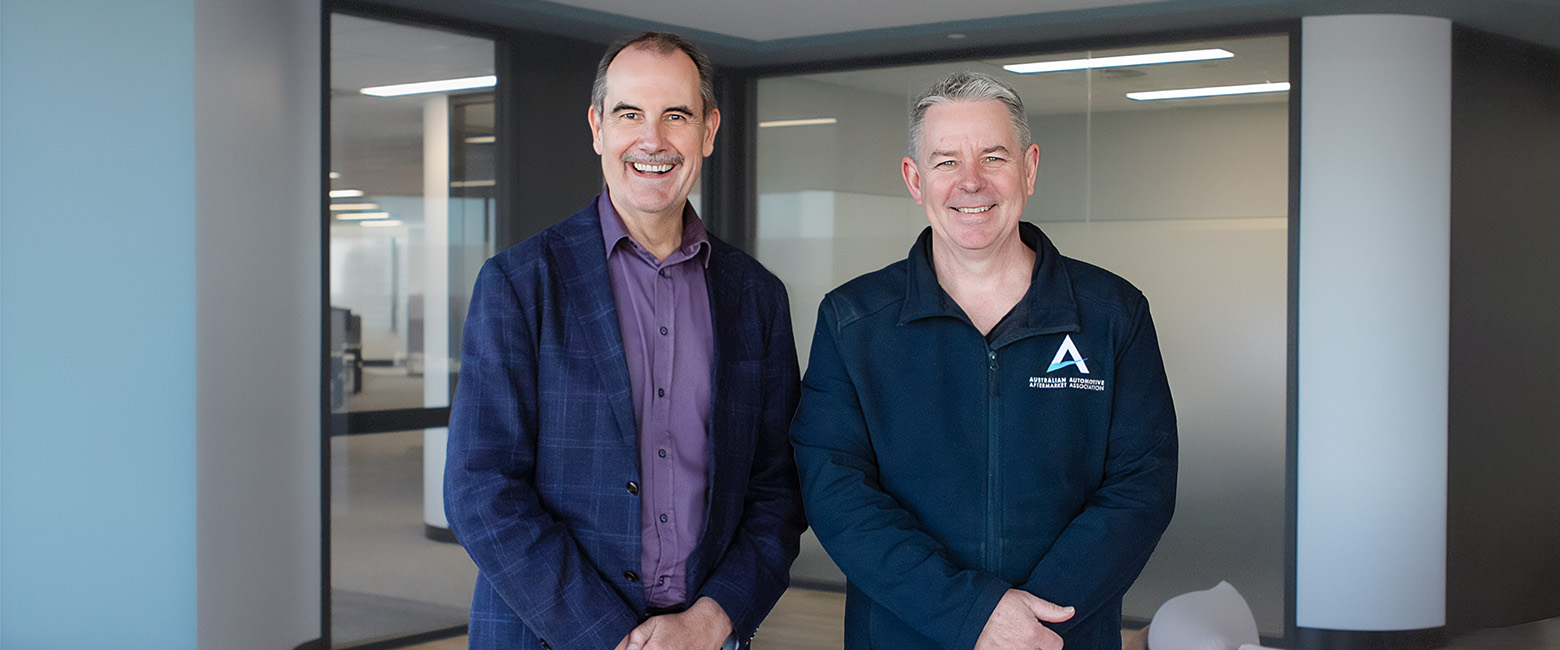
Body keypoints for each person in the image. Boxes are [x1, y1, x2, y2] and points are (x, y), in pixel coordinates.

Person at [790, 71, 1178, 650]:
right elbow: (837, 494)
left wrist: (1033, 626)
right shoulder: (853, 322)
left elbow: (1141, 488)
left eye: (993, 157)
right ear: (914, 179)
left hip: (1059, 639)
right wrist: (973, 614)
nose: (970, 182)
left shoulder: (1113, 315)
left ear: (1030, 168)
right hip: (904, 635)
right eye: (946, 162)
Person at [444, 32, 806, 650]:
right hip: (549, 636)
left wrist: (713, 619)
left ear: (709, 131)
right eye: (629, 114)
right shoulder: (520, 283)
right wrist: (614, 638)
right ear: (597, 128)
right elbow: (482, 489)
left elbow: (776, 489)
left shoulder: (757, 297)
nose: (653, 140)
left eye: (677, 116)